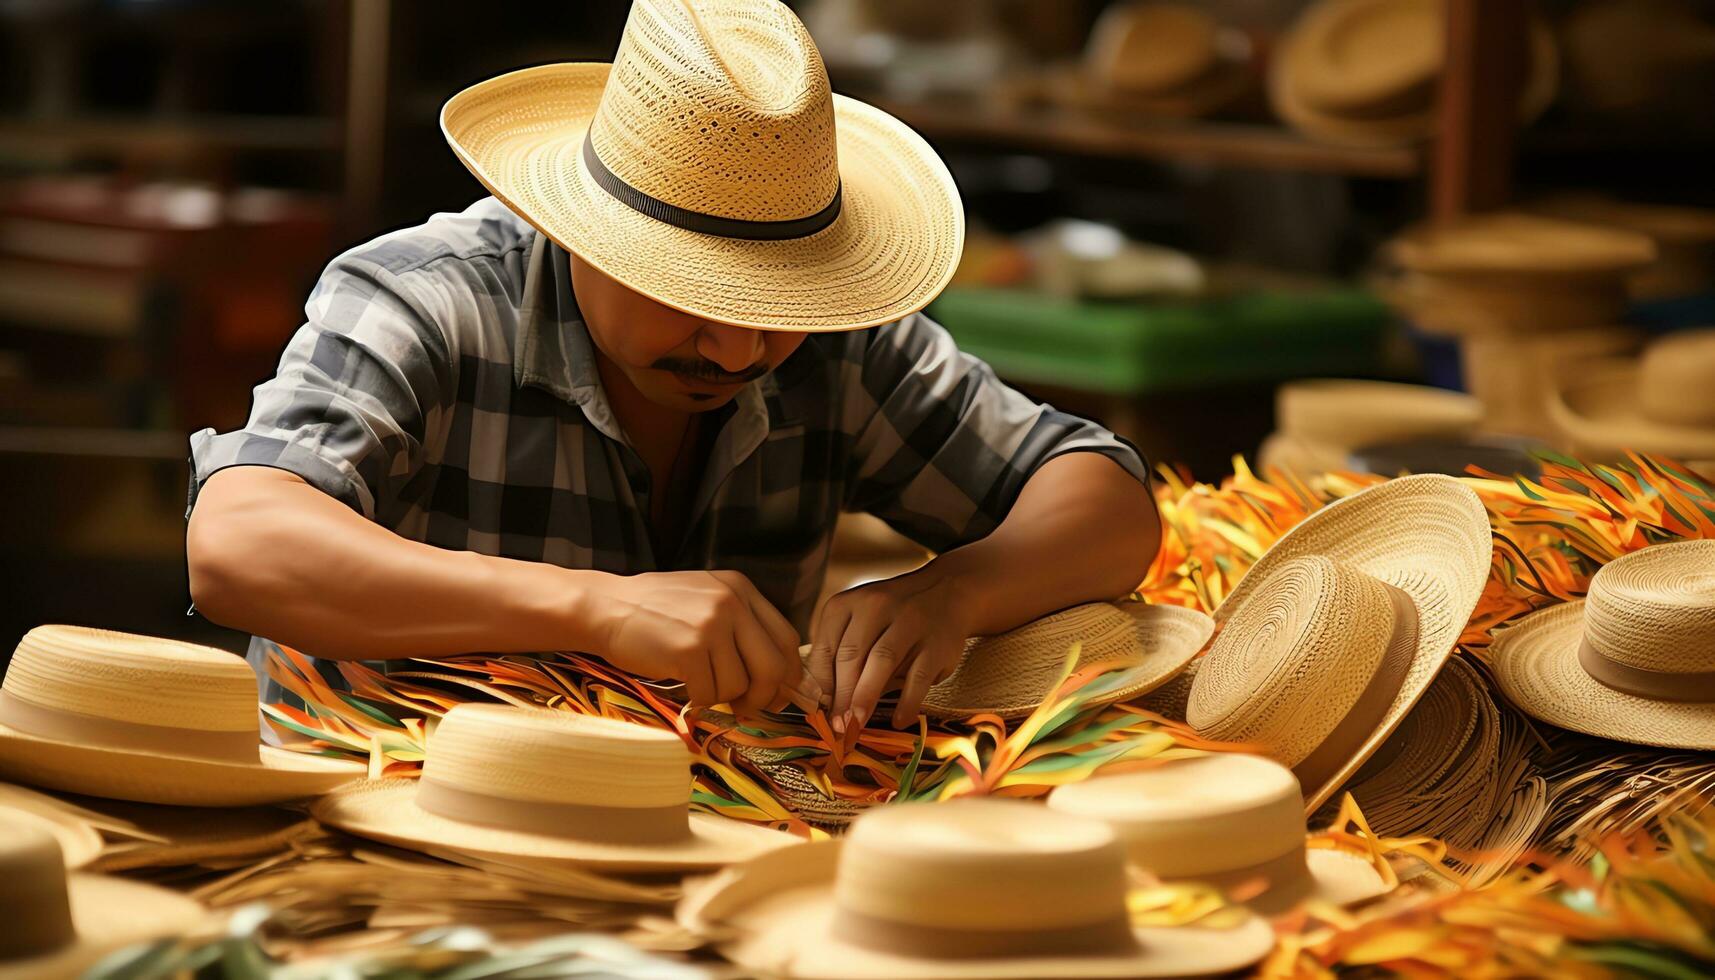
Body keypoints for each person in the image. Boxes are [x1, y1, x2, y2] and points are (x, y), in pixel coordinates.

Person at [184, 0, 1160, 735]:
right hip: (381, 823)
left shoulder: (837, 340)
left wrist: (953, 592)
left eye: (773, 304)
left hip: (686, 853)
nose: (735, 351)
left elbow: (1107, 498)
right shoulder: (425, 301)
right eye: (692, 293)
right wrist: (594, 608)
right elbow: (236, 544)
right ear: (585, 232)